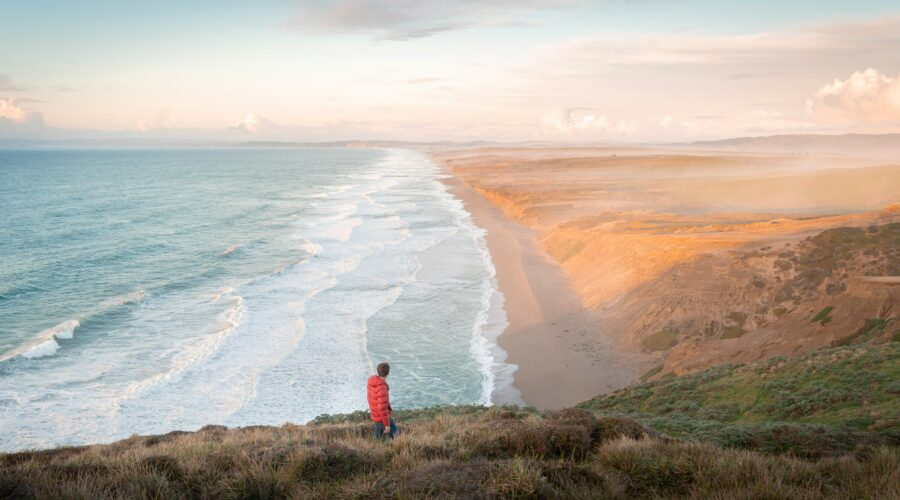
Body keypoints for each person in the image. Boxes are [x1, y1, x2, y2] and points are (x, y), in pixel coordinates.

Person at [367, 362, 397, 439]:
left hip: (375, 413)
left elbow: (378, 401)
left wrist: (389, 407)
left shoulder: (373, 382)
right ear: (388, 373)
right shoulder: (382, 387)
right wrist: (387, 424)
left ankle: (376, 448)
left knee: (379, 436)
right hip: (380, 416)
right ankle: (394, 448)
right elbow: (382, 408)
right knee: (393, 432)